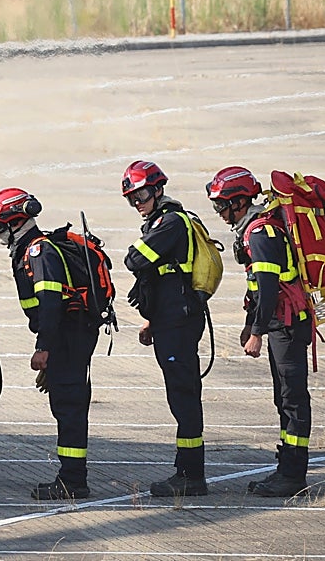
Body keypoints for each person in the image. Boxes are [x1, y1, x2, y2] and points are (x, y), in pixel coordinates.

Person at [0, 188, 100, 500]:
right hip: (70, 335)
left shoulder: (38, 252)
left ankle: (72, 481)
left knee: (69, 406)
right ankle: (72, 477)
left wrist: (44, 348)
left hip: (67, 335)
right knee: (66, 404)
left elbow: (50, 303)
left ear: (14, 222)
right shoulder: (32, 249)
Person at [206, 166, 312, 497]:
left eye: (221, 204)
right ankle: (287, 468)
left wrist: (256, 332)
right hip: (281, 324)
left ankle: (293, 475)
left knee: (292, 399)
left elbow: (268, 288)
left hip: (287, 325)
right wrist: (248, 325)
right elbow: (258, 289)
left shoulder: (261, 233)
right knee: (284, 398)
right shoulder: (254, 229)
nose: (219, 212)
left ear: (238, 202)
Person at [120, 160, 209, 497]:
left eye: (141, 194)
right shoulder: (160, 222)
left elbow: (135, 260)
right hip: (169, 320)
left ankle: (191, 474)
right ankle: (186, 469)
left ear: (158, 189)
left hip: (179, 322)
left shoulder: (170, 222)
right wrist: (150, 320)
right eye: (132, 198)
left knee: (184, 395)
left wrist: (136, 256)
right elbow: (158, 279)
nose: (138, 203)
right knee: (180, 395)